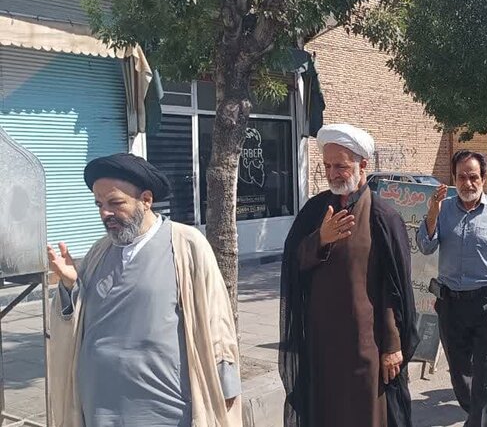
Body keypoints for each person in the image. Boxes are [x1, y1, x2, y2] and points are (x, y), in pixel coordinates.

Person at [46, 153, 242, 427]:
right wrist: (70, 285)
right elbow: (75, 321)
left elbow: (216, 318)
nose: (105, 213)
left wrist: (225, 384)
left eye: (115, 203)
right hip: (100, 405)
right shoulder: (98, 252)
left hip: (166, 408)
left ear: (146, 200)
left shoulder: (186, 244)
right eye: (99, 204)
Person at [280, 124, 419, 427]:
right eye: (328, 166)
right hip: (321, 345)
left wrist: (393, 345)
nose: (333, 174)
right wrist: (320, 239)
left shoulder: (382, 217)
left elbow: (394, 290)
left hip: (365, 347)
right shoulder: (314, 212)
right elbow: (293, 264)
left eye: (340, 166)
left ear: (363, 165)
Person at [417, 151, 487, 426]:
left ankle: (479, 419)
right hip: (451, 304)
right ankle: (478, 411)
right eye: (462, 177)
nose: (468, 183)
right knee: (460, 373)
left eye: (473, 177)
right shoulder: (443, 209)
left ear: (483, 179)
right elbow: (425, 246)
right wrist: (432, 213)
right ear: (454, 179)